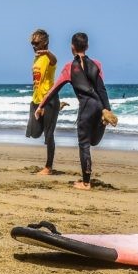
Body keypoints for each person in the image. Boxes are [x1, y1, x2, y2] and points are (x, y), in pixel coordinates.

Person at [35, 31, 118, 190]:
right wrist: (107, 109)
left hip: (86, 107)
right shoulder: (97, 64)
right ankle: (103, 120)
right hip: (99, 106)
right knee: (93, 141)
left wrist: (41, 106)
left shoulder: (68, 68)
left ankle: (86, 182)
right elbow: (101, 89)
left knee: (85, 144)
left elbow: (54, 89)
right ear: (86, 46)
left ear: (72, 47)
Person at [25, 29, 58, 175]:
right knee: (34, 132)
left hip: (49, 100)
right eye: (32, 43)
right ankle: (58, 106)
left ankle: (48, 167)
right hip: (37, 101)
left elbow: (55, 60)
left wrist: (47, 53)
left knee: (48, 135)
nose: (34, 45)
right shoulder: (36, 59)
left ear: (44, 42)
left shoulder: (48, 58)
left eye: (36, 43)